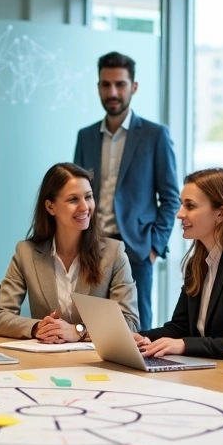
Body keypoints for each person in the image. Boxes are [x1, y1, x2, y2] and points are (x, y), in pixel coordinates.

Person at [73, 51, 180, 331]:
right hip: (91, 246)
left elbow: (171, 198)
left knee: (138, 328)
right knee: (88, 324)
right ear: (98, 87)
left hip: (136, 249)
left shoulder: (155, 135)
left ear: (133, 87)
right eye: (106, 84)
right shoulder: (85, 136)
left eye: (120, 84)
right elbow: (75, 192)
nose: (113, 92)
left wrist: (154, 248)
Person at [133, 168, 223, 359]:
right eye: (181, 205)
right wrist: (141, 337)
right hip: (211, 370)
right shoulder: (197, 263)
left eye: (190, 206)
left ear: (221, 214)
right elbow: (180, 327)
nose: (179, 214)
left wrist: (184, 345)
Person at [0, 163, 138, 342]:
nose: (85, 207)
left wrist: (78, 331)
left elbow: (130, 323)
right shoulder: (26, 253)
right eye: (73, 200)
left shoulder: (114, 253)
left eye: (88, 197)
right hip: (45, 361)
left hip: (95, 364)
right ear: (50, 207)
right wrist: (36, 328)